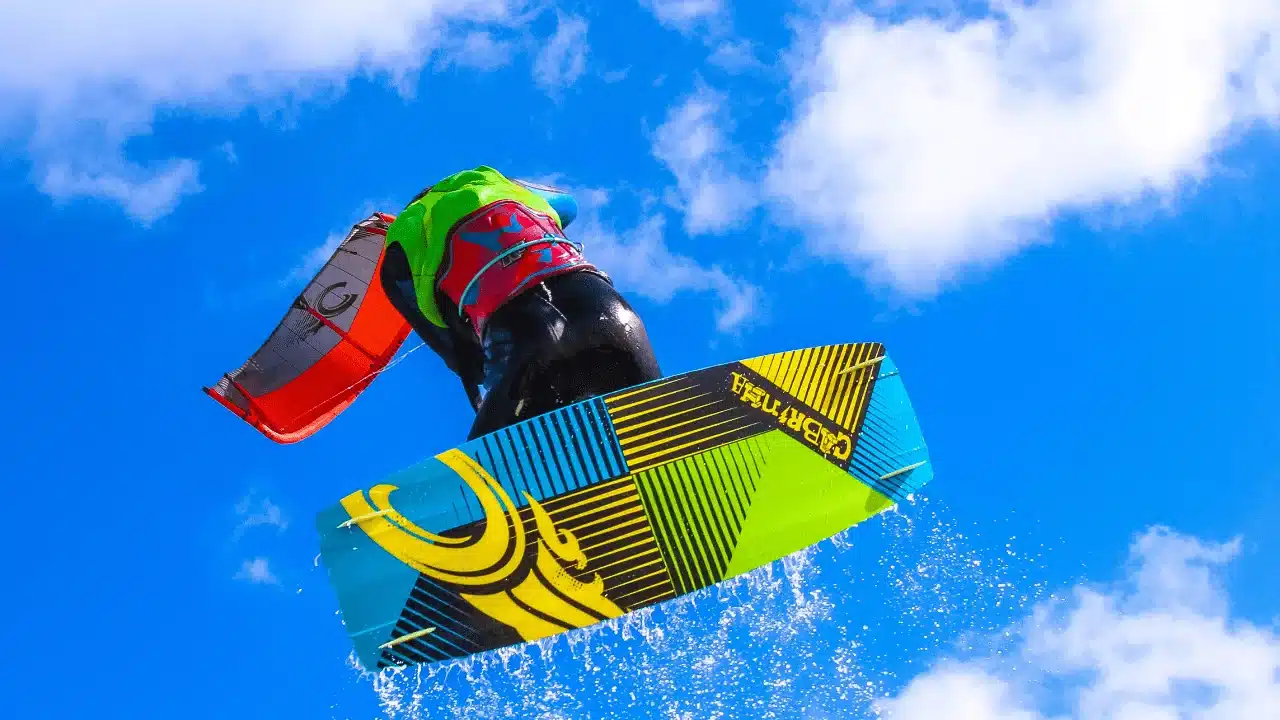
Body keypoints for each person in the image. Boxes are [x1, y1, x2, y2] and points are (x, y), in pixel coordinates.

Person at [378, 166, 662, 441]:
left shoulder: (405, 231)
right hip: (609, 312)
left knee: (498, 469)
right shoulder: (499, 182)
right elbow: (568, 205)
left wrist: (482, 390)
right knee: (655, 432)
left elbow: (449, 346)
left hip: (521, 338)